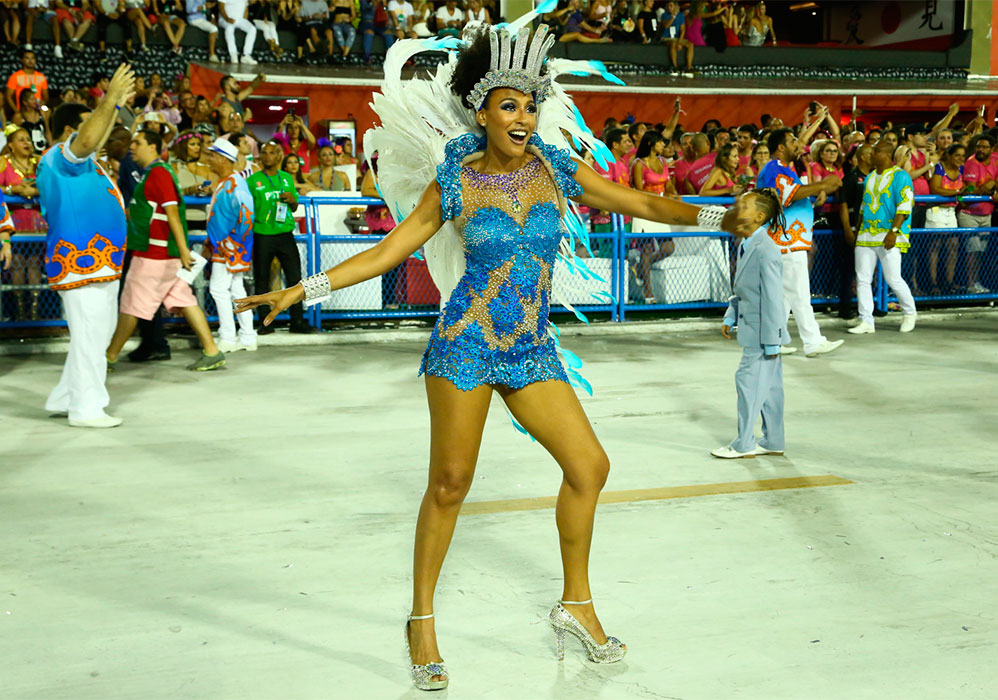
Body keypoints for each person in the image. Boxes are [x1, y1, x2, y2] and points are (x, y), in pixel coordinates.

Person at [233, 21, 757, 690]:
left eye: (531, 104)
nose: (524, 116)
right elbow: (389, 250)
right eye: (509, 105)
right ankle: (421, 619)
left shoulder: (555, 169)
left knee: (588, 466)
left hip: (532, 349)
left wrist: (721, 218)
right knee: (450, 484)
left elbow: (641, 201)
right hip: (465, 346)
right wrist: (301, 289)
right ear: (481, 113)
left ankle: (575, 605)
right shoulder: (455, 181)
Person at [37, 63, 135, 428]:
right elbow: (91, 138)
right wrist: (108, 98)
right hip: (82, 263)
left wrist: (115, 105)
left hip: (98, 263)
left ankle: (65, 395)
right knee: (90, 336)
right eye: (89, 119)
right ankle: (86, 409)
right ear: (68, 131)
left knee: (96, 334)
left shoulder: (85, 163)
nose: (99, 124)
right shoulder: (61, 160)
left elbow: (100, 132)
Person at [105, 129, 226, 370]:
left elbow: (172, 213)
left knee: (131, 305)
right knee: (185, 301)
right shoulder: (156, 173)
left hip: (154, 255)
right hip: (165, 255)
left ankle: (108, 357)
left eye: (137, 142)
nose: (132, 147)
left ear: (153, 147)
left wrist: (183, 251)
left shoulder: (158, 174)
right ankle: (212, 351)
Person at [712, 189, 788, 459]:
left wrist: (772, 341)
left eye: (742, 206)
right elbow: (745, 290)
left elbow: (772, 298)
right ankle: (774, 440)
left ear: (758, 217)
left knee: (747, 382)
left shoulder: (766, 249)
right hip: (756, 329)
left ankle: (743, 444)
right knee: (769, 389)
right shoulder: (748, 244)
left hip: (762, 334)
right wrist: (730, 316)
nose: (736, 210)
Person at [756, 127, 844, 357]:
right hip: (786, 240)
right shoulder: (774, 168)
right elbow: (789, 195)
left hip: (788, 240)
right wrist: (823, 185)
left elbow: (795, 194)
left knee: (786, 296)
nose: (799, 145)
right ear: (781, 147)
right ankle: (812, 341)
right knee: (800, 294)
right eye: (793, 141)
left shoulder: (783, 169)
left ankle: (772, 340)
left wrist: (813, 195)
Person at [847, 140, 917, 334]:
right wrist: (856, 230)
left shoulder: (901, 176)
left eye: (876, 151)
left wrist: (893, 232)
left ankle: (910, 313)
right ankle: (866, 321)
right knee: (862, 279)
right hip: (866, 234)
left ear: (887, 155)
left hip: (889, 234)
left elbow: (904, 207)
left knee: (893, 278)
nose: (872, 154)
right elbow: (863, 206)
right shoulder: (870, 177)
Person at [247, 140, 317, 335]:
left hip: (285, 233)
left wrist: (293, 200)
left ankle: (297, 321)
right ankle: (265, 322)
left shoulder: (286, 178)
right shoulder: (252, 181)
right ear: (260, 157)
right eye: (264, 153)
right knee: (261, 280)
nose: (268, 156)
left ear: (279, 156)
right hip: (262, 234)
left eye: (272, 152)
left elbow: (294, 207)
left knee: (295, 278)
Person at [204, 137, 257, 351]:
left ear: (224, 159)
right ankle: (247, 336)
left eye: (213, 156)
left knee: (218, 289)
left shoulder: (232, 184)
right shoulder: (232, 182)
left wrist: (219, 243)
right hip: (234, 245)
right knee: (237, 289)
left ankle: (228, 337)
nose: (209, 160)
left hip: (226, 245)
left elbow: (239, 218)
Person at [836, 144, 873, 320]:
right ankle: (845, 306)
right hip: (854, 229)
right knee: (850, 269)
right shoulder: (851, 178)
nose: (874, 156)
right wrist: (847, 230)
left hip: (870, 229)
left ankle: (868, 306)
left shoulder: (875, 177)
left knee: (867, 270)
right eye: (871, 153)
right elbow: (843, 205)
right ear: (863, 157)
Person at [925, 142, 966, 294]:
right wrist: (956, 192)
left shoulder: (961, 169)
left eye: (962, 156)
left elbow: (962, 192)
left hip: (951, 212)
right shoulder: (939, 168)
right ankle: (933, 284)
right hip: (936, 211)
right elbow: (935, 189)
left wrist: (962, 199)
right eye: (957, 155)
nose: (960, 158)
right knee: (935, 247)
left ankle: (949, 283)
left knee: (952, 247)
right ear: (949, 155)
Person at [960, 134, 996, 294]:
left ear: (992, 149)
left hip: (987, 213)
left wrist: (994, 183)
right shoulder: (971, 162)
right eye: (979, 147)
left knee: (981, 251)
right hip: (969, 213)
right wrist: (985, 187)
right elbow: (971, 189)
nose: (980, 150)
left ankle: (978, 282)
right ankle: (971, 284)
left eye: (985, 147)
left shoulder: (995, 160)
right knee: (972, 251)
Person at [6, 49, 48, 113]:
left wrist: (41, 106)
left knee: (48, 111)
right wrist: (17, 111)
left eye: (32, 58)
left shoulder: (41, 77)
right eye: (27, 58)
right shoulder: (15, 76)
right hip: (22, 111)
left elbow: (46, 97)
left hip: (38, 111)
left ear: (35, 60)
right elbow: (8, 96)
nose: (30, 61)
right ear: (22, 60)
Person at [660, 0, 693, 72]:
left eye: (671, 6)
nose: (669, 8)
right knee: (673, 44)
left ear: (675, 7)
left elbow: (682, 30)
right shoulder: (664, 15)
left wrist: (680, 42)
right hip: (666, 37)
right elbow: (666, 25)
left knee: (690, 44)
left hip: (676, 38)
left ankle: (689, 67)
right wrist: (673, 16)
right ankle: (675, 66)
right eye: (668, 6)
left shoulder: (681, 16)